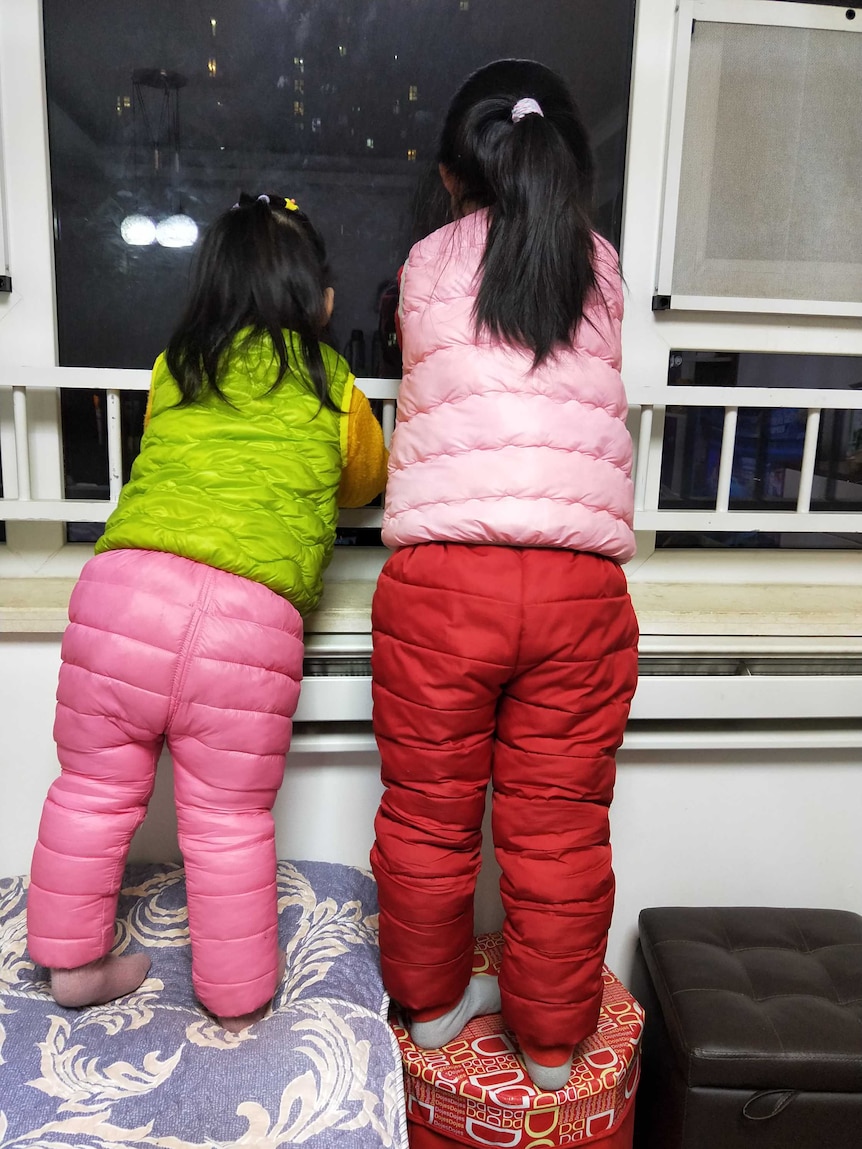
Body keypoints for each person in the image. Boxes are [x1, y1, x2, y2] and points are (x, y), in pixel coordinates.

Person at [27, 193, 387, 1032]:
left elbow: (161, 442)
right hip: (244, 627)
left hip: (121, 595)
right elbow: (366, 479)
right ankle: (235, 995)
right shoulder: (329, 382)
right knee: (228, 821)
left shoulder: (176, 362)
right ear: (318, 299)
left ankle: (73, 966)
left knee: (88, 792)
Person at [370, 60, 639, 1091]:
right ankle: (551, 1044)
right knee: (560, 828)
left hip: (444, 584)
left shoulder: (427, 262)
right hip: (578, 593)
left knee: (430, 817)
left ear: (450, 176)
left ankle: (432, 1011)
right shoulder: (601, 267)